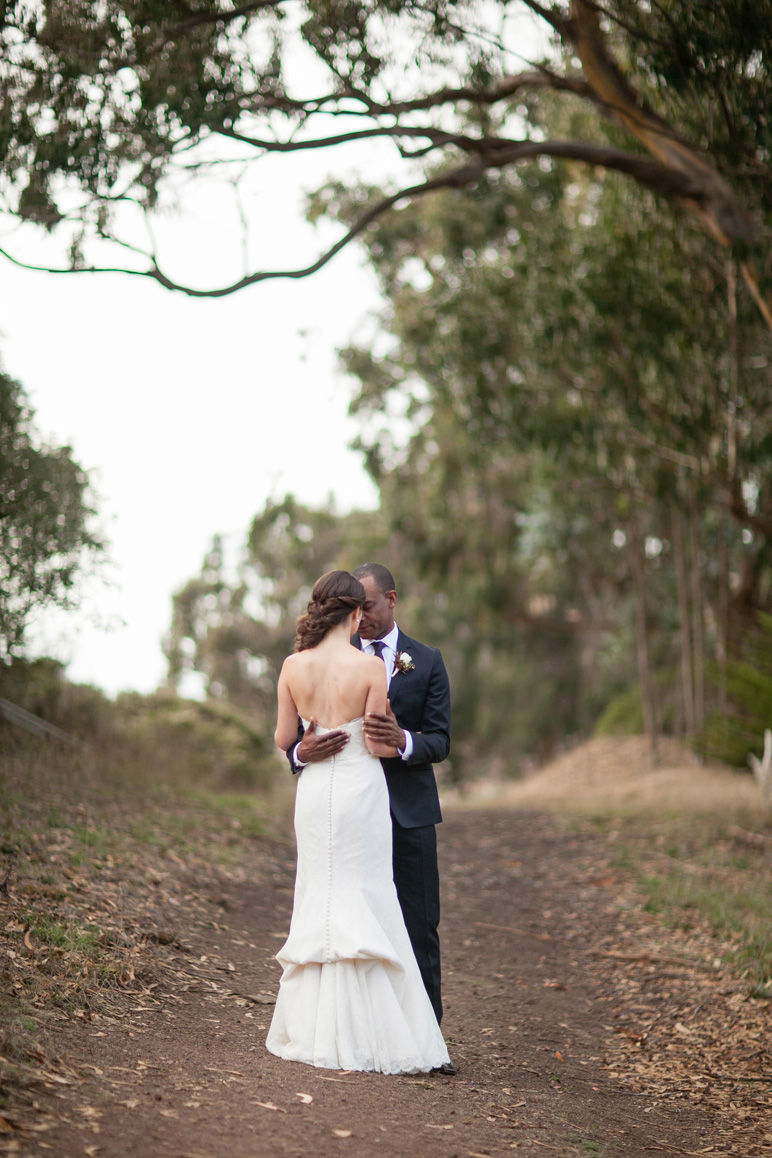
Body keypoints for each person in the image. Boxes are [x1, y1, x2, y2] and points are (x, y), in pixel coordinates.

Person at [266, 569, 450, 1074]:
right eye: (359, 609)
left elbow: (285, 737)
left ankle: (324, 1028)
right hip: (360, 792)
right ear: (351, 612)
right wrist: (315, 749)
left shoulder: (292, 666)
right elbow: (372, 743)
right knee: (365, 897)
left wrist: (309, 745)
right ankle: (388, 1036)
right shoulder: (370, 670)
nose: (365, 617)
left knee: (327, 895)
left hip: (326, 796)